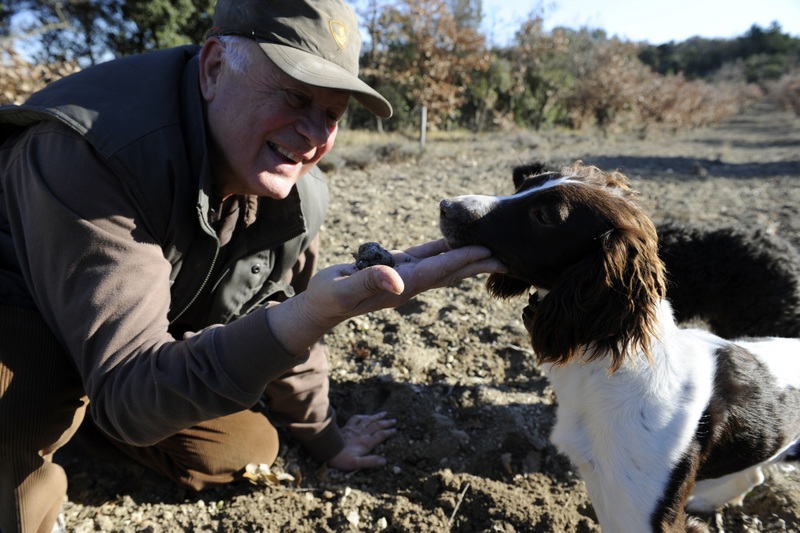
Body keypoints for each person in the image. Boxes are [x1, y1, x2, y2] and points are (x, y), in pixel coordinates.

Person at [0, 0, 506, 531]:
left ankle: (85, 421)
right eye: (296, 96)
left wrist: (328, 438)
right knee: (18, 417)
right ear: (215, 67)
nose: (314, 134)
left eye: (332, 114)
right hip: (22, 307)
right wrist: (306, 316)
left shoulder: (295, 192)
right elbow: (131, 393)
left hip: (127, 342)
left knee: (247, 447)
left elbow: (287, 309)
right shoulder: (93, 152)